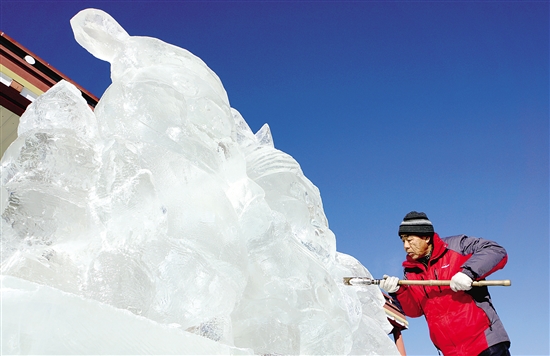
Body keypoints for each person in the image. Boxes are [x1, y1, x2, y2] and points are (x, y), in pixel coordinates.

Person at [380, 211, 511, 356]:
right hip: (451, 352)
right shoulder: (411, 272)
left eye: (410, 240)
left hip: (484, 343)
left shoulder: (457, 246)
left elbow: (495, 251)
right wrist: (399, 291)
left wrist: (468, 272)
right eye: (403, 241)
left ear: (426, 237)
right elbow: (415, 311)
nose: (405, 246)